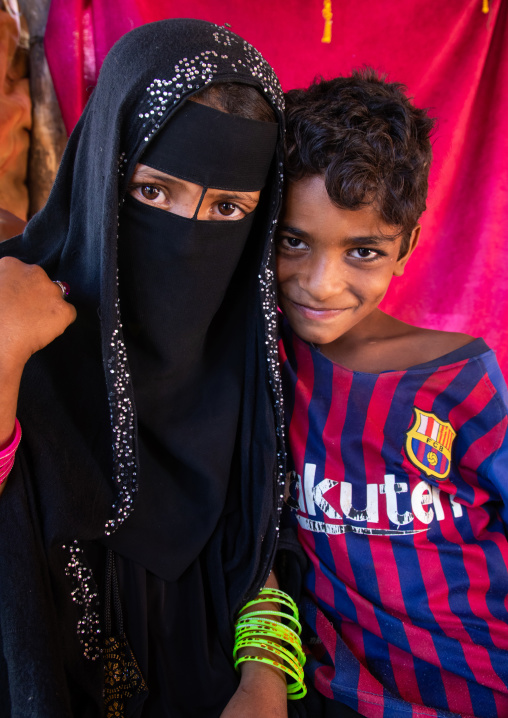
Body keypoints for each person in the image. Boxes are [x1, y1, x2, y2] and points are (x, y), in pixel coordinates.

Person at [0, 19, 297, 718]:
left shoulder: (250, 355)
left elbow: (266, 540)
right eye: (154, 193)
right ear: (105, 168)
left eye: (227, 209)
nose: (190, 239)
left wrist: (264, 678)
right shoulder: (14, 309)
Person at [278, 70, 508, 717]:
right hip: (344, 695)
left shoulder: (459, 377)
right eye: (294, 241)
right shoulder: (265, 362)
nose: (320, 285)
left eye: (363, 251)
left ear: (405, 246)